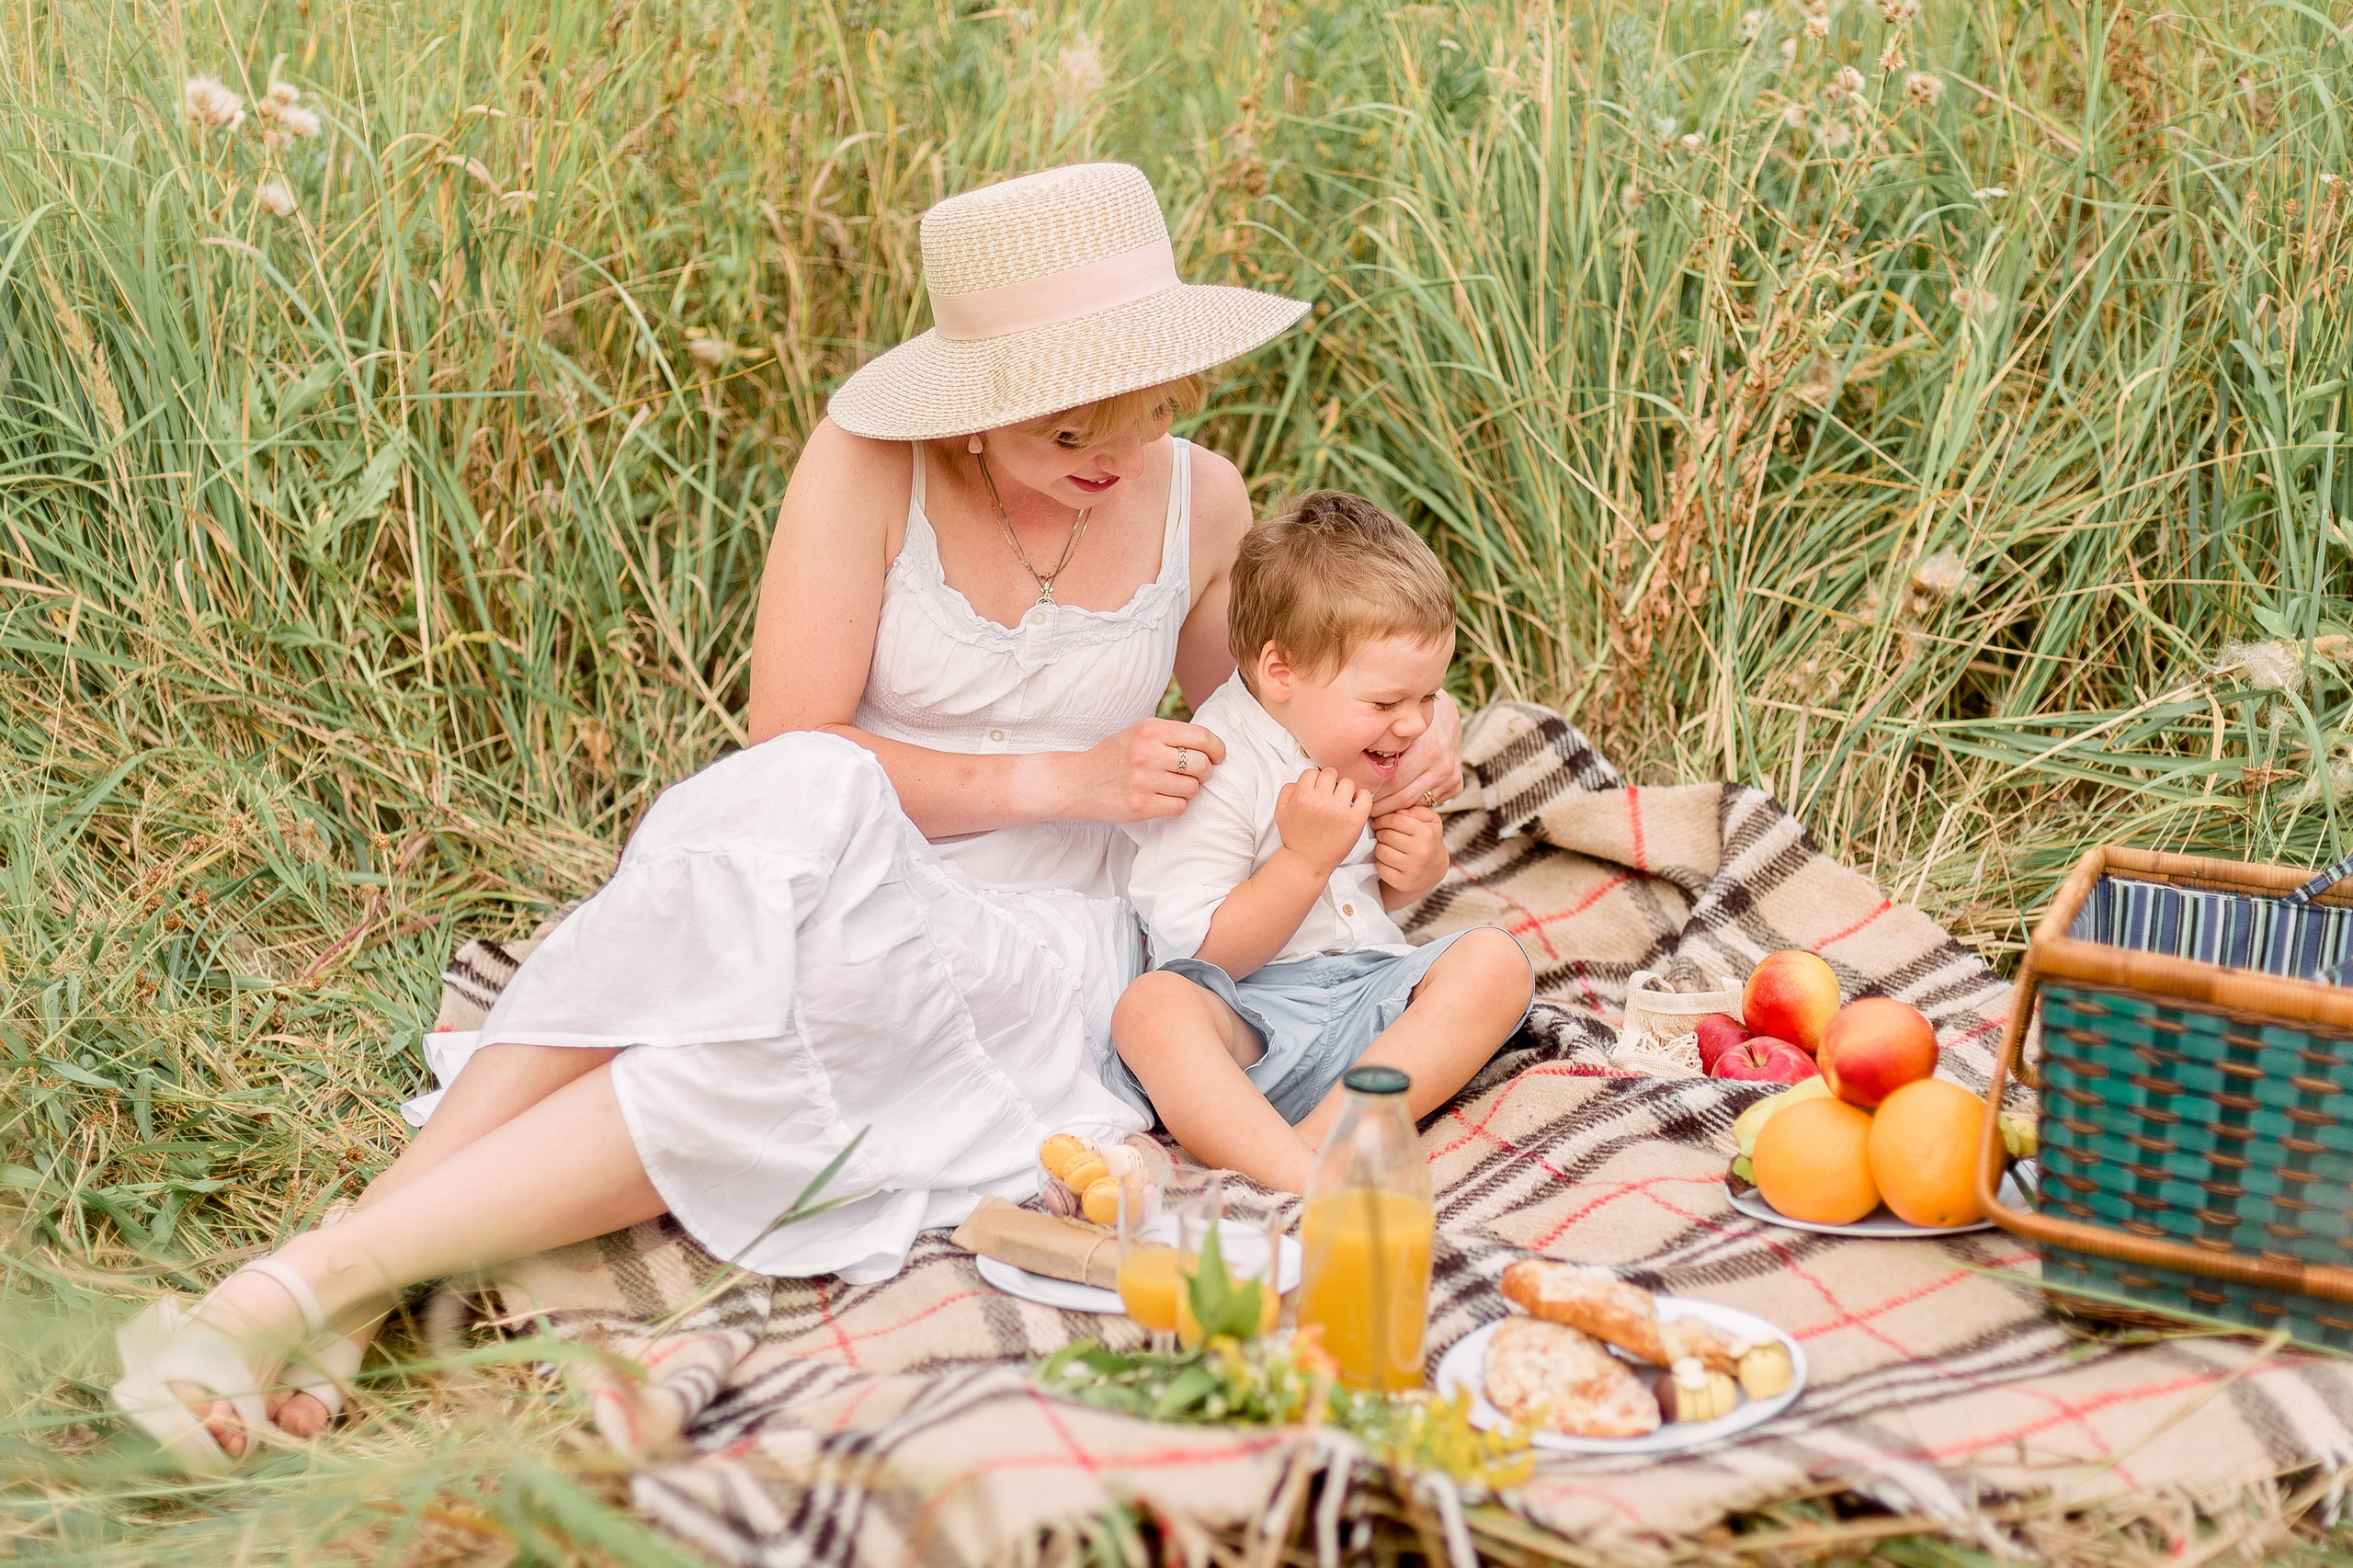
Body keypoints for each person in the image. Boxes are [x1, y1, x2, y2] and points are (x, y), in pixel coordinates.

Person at [109, 163, 1465, 1473]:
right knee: (785, 811)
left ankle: (316, 1282)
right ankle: (336, 1278)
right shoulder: (870, 465)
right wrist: (1064, 774)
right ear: (978, 406)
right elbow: (793, 742)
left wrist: (1421, 744)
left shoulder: (1203, 497)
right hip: (835, 835)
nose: (1116, 453)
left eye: (1150, 408)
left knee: (762, 1047)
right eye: (1068, 429)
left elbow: (1274, 719)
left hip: (1047, 921)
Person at [1111, 493, 1533, 1192]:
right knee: (1152, 1009)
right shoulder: (1220, 763)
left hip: (1371, 998)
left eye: (1428, 697)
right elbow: (1201, 953)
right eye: (1387, 704)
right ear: (1281, 673)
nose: (1413, 725)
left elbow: (1361, 902)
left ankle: (1313, 1148)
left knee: (1494, 959)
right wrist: (1304, 861)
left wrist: (1414, 874)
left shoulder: (1353, 741)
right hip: (1255, 1025)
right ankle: (1302, 1171)